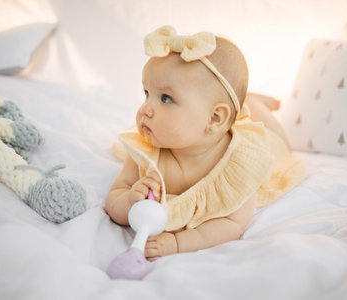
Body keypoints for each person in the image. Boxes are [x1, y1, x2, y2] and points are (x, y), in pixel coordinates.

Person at [105, 26, 307, 261]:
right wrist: (129, 200)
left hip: (270, 145)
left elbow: (231, 224)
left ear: (214, 118)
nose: (146, 110)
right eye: (147, 93)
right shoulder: (146, 151)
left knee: (280, 138)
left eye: (166, 98)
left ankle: (254, 104)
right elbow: (115, 196)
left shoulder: (239, 167)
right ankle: (247, 102)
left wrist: (178, 242)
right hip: (217, 126)